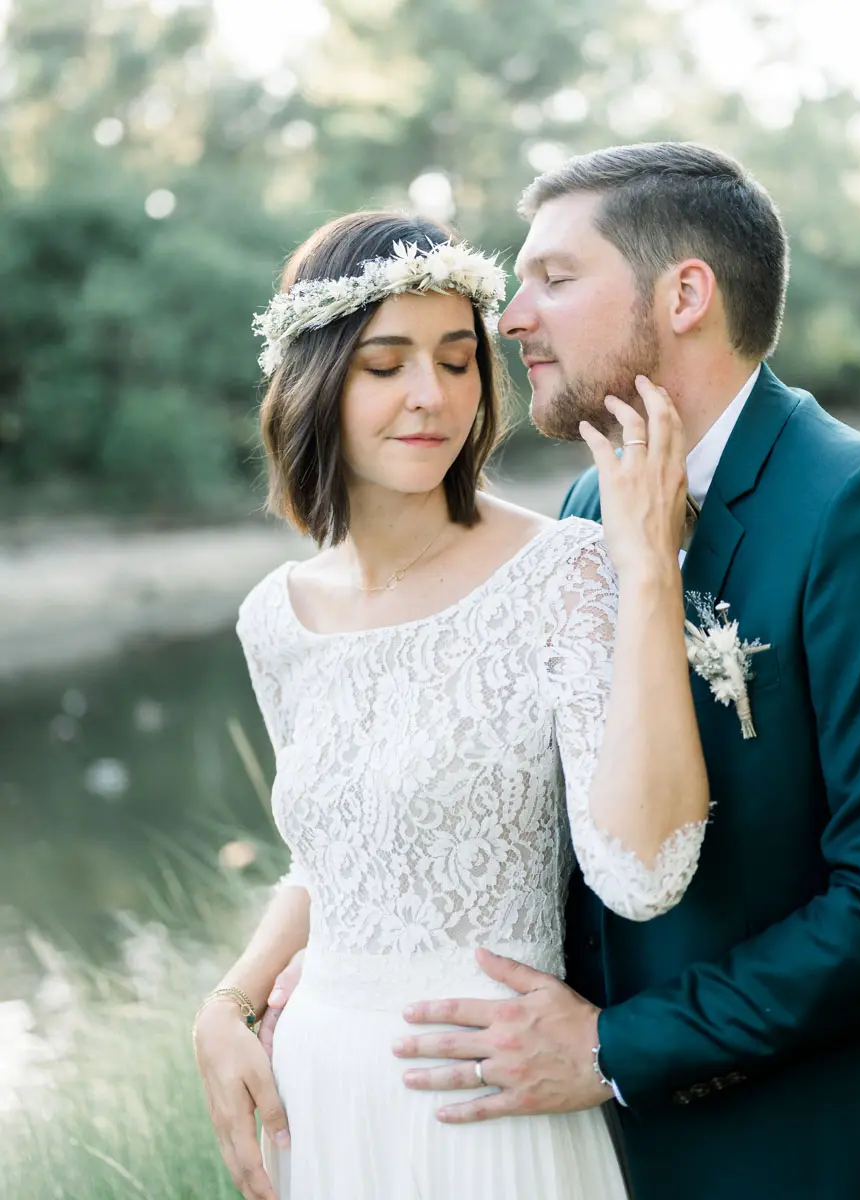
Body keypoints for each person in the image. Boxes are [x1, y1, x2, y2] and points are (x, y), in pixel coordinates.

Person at [359, 143, 860, 1199]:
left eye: (555, 279)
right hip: (576, 1152)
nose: (511, 318)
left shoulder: (857, 512)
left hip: (791, 1150)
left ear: (685, 293)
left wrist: (614, 1049)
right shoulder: (576, 514)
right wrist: (259, 990)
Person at [192, 209, 710, 1200]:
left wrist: (645, 578)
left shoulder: (564, 574)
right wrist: (233, 997)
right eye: (385, 364)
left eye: (457, 359)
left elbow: (646, 874)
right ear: (316, 378)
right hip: (321, 1096)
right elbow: (332, 857)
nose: (430, 397)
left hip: (485, 1098)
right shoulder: (277, 618)